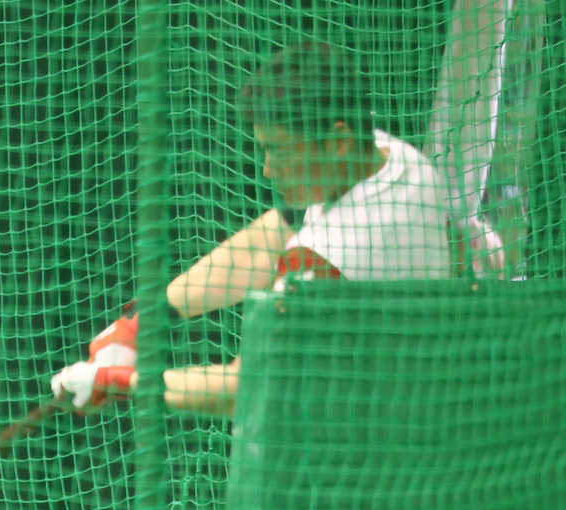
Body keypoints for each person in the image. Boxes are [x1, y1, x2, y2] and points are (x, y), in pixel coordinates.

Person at [51, 41, 452, 417]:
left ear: (338, 141)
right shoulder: (392, 157)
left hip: (364, 457)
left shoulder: (333, 251)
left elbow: (249, 388)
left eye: (277, 149)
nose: (267, 169)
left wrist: (115, 381)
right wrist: (145, 318)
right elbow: (267, 239)